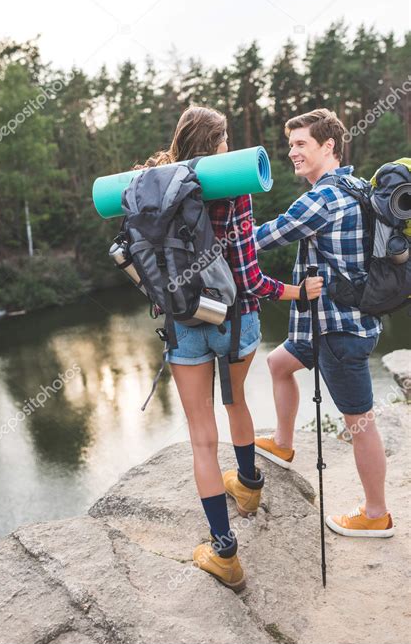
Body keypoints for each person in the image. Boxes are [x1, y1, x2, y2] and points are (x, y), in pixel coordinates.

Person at [136, 105, 323, 591]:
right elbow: (250, 278)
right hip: (236, 318)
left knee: (202, 436)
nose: (228, 150)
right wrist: (297, 291)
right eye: (224, 142)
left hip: (184, 324)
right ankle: (249, 485)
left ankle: (224, 554)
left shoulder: (152, 182)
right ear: (215, 145)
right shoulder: (234, 187)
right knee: (236, 400)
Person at [254, 108, 394, 538]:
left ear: (328, 145)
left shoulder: (324, 197)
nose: (292, 152)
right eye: (290, 143)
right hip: (325, 325)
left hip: (339, 332)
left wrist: (217, 236)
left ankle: (376, 514)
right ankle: (283, 441)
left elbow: (266, 237)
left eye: (301, 144)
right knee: (278, 364)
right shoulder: (355, 184)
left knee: (360, 423)